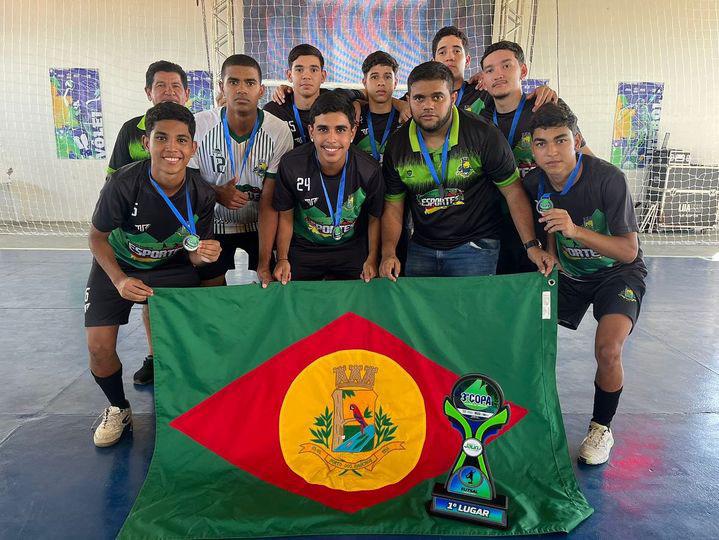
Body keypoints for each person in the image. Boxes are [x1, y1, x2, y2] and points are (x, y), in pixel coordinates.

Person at [85, 102, 220, 447]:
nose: (171, 148)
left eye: (181, 140)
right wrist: (118, 280)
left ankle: (187, 406)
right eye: (162, 138)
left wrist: (203, 255)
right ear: (147, 143)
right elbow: (97, 237)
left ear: (193, 147)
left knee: (190, 342)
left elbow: (193, 254)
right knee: (99, 348)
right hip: (119, 265)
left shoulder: (202, 194)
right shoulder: (123, 183)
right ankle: (118, 408)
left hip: (171, 267)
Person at [523, 101, 647, 465]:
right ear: (533, 149)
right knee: (525, 339)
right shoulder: (533, 183)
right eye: (542, 143)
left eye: (560, 140)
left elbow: (628, 250)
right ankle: (526, 418)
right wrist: (548, 252)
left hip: (617, 273)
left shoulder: (608, 179)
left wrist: (575, 231)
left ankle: (601, 427)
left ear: (576, 141)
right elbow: (545, 224)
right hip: (569, 275)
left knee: (608, 349)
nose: (552, 151)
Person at [379, 62, 554, 279]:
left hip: (476, 247)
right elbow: (393, 205)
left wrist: (531, 246)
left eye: (437, 97)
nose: (428, 105)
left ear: (452, 98)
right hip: (422, 249)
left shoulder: (483, 134)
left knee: (473, 304)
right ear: (409, 100)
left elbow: (513, 192)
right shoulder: (398, 145)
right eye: (419, 98)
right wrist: (388, 253)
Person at [106, 60, 190, 386]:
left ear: (186, 93)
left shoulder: (198, 126)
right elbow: (114, 181)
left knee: (189, 297)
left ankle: (189, 356)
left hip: (185, 229)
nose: (168, 92)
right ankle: (156, 357)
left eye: (175, 86)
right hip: (144, 235)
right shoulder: (131, 130)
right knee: (151, 297)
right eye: (160, 86)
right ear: (148, 92)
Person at [479, 40, 593, 274]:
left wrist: (609, 193)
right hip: (495, 225)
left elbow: (585, 158)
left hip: (544, 222)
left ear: (523, 70)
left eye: (506, 66)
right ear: (483, 78)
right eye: (490, 70)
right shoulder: (481, 115)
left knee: (544, 285)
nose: (498, 74)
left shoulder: (546, 107)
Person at [190, 54, 293, 288]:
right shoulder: (199, 125)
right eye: (233, 82)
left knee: (266, 286)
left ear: (261, 90)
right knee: (212, 293)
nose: (241, 89)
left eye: (250, 82)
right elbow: (187, 184)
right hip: (213, 224)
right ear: (222, 87)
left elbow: (269, 200)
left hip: (259, 226)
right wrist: (216, 192)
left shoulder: (278, 131)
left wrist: (264, 262)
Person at [272, 91, 384, 283]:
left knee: (362, 297)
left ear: (352, 132)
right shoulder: (291, 165)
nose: (331, 139)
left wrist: (372, 259)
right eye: (323, 129)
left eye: (340, 129)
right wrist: (282, 259)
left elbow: (375, 219)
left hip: (350, 248)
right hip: (305, 248)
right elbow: (285, 216)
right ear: (311, 131)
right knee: (290, 295)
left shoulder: (369, 170)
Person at [431, 26, 557, 116]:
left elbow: (514, 98)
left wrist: (543, 91)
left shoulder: (484, 91)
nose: (450, 57)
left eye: (456, 51)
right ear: (433, 61)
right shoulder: (425, 97)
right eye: (442, 52)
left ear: (467, 60)